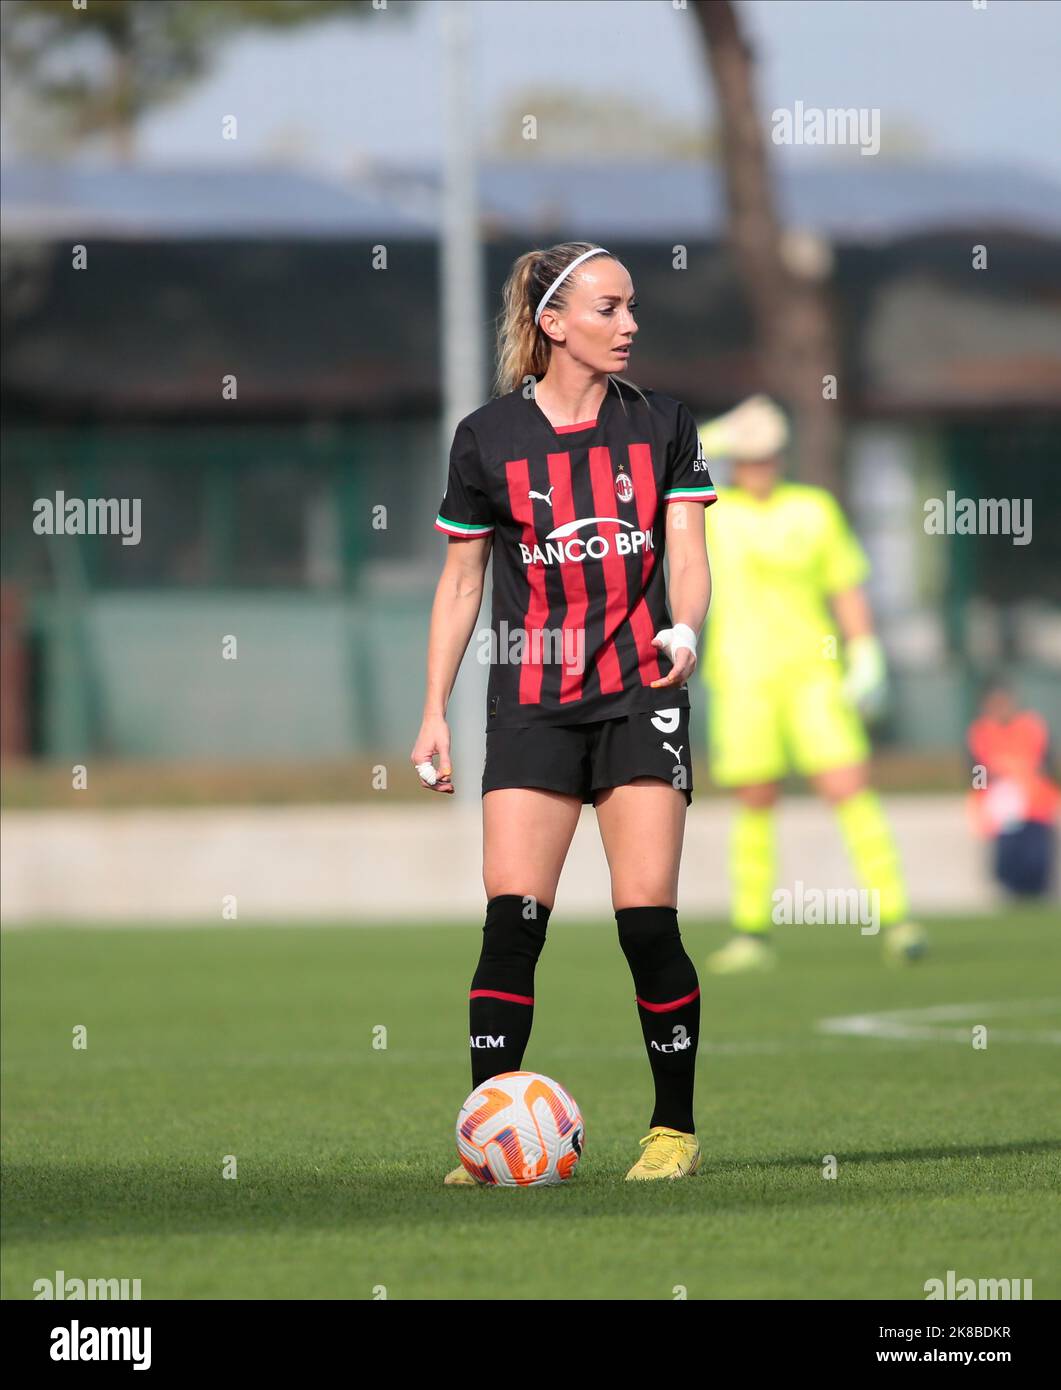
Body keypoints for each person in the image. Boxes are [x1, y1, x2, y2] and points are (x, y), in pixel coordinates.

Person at [412, 242, 716, 1183]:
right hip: (532, 706)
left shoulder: (662, 422)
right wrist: (433, 711)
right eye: (608, 308)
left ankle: (671, 1130)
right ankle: (484, 1135)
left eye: (632, 308)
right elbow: (461, 584)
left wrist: (687, 631)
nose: (629, 325)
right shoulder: (486, 437)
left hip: (639, 694)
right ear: (552, 323)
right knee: (513, 921)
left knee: (644, 924)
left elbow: (688, 551)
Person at [695, 396, 926, 970]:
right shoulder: (713, 511)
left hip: (813, 675)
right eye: (746, 456)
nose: (758, 466)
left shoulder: (813, 510)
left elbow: (845, 586)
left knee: (849, 785)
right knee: (755, 799)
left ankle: (897, 918)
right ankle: (752, 933)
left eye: (767, 454)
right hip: (744, 676)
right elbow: (659, 465)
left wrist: (865, 652)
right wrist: (722, 431)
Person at [966, 682, 1059, 897]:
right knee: (1008, 861)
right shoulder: (981, 733)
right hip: (1003, 811)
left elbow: (1047, 766)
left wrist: (1025, 770)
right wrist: (991, 779)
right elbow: (975, 774)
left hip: (1036, 808)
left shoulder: (1032, 727)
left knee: (1037, 860)